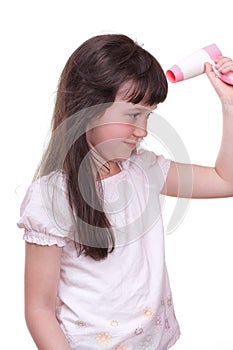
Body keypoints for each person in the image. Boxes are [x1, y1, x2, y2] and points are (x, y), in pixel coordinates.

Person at [17, 34, 233, 350]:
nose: (143, 130)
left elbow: (225, 181)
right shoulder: (51, 197)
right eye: (133, 114)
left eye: (149, 115)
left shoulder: (144, 169)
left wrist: (229, 105)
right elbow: (39, 310)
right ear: (88, 108)